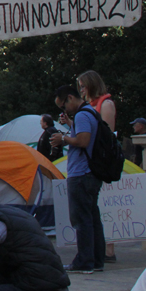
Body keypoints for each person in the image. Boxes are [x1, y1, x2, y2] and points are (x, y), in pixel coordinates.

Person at [50, 85, 105, 274]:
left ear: (70, 98)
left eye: (63, 106)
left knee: (81, 220)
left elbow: (83, 141)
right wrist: (70, 127)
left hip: (81, 174)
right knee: (92, 218)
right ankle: (97, 260)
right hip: (92, 173)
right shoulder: (90, 112)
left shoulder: (82, 115)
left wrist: (63, 139)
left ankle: (84, 261)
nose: (64, 111)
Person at [77, 70, 119, 262]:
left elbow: (105, 135)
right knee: (93, 209)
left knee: (96, 208)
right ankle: (101, 250)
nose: (81, 90)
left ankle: (106, 249)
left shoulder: (105, 104)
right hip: (90, 162)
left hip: (98, 163)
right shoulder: (91, 106)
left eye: (83, 85)